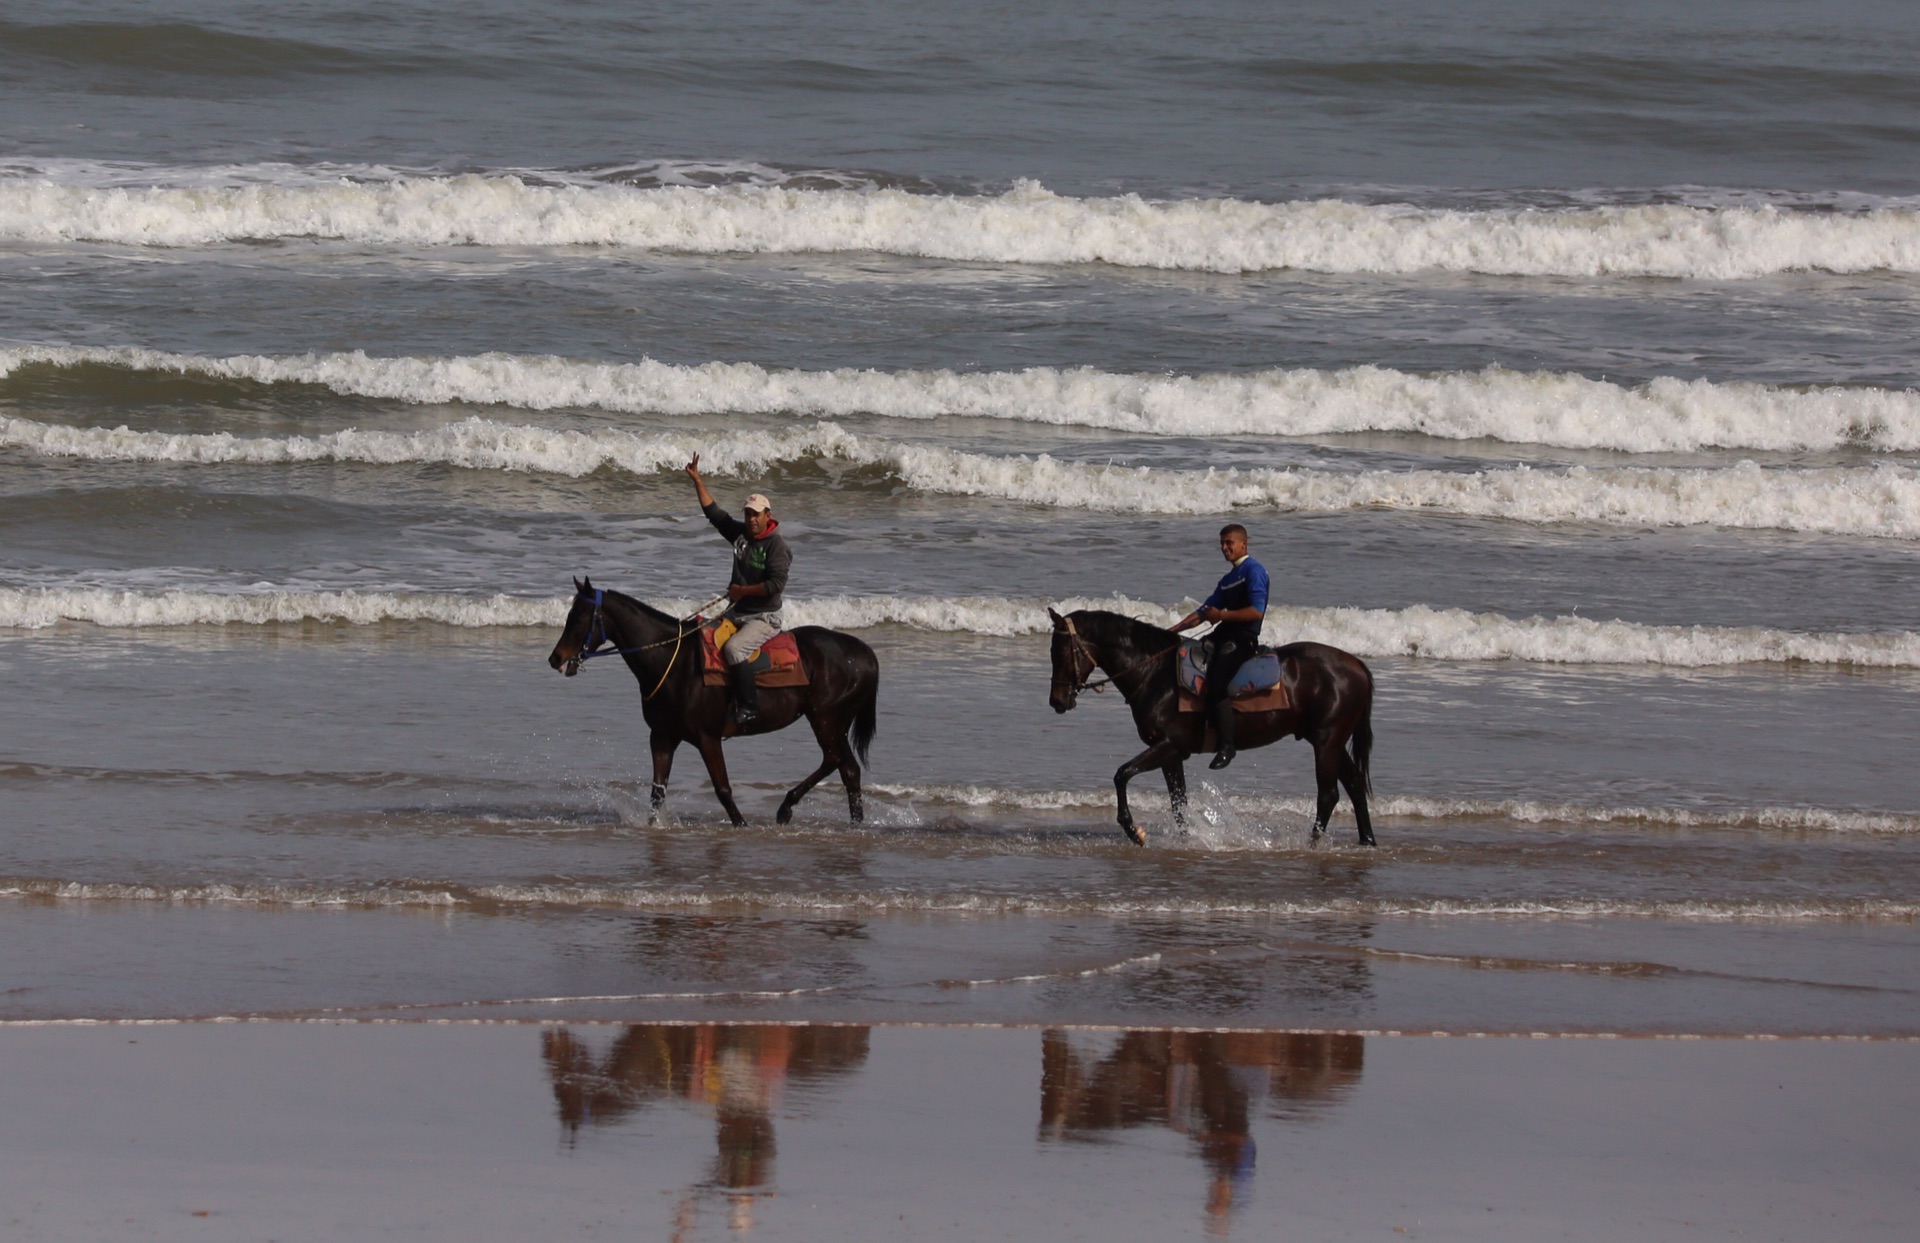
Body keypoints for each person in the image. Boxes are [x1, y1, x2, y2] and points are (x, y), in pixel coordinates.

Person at [685, 454, 792, 725]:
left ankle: (749, 705)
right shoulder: (742, 535)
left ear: (768, 516)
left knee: (733, 650)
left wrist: (742, 592)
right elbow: (715, 515)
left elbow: (775, 586)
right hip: (738, 612)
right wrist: (697, 480)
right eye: (747, 514)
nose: (751, 519)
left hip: (764, 618)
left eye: (755, 515)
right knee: (701, 635)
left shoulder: (776, 546)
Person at [1170, 523, 1269, 770]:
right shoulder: (1227, 580)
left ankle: (1227, 745)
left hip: (1243, 639)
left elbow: (1256, 612)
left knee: (1216, 684)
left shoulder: (1254, 571)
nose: (1225, 548)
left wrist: (1222, 616)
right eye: (1222, 544)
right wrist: (1172, 631)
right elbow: (1203, 613)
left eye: (1229, 543)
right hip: (1222, 634)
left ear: (1243, 544)